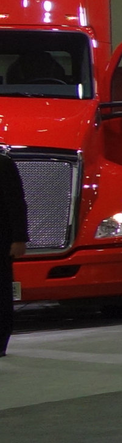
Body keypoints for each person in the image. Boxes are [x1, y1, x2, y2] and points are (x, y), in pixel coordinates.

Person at [0, 151, 28, 356]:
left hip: (2, 241)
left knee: (1, 292)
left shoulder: (3, 164)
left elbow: (16, 203)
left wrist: (19, 238)